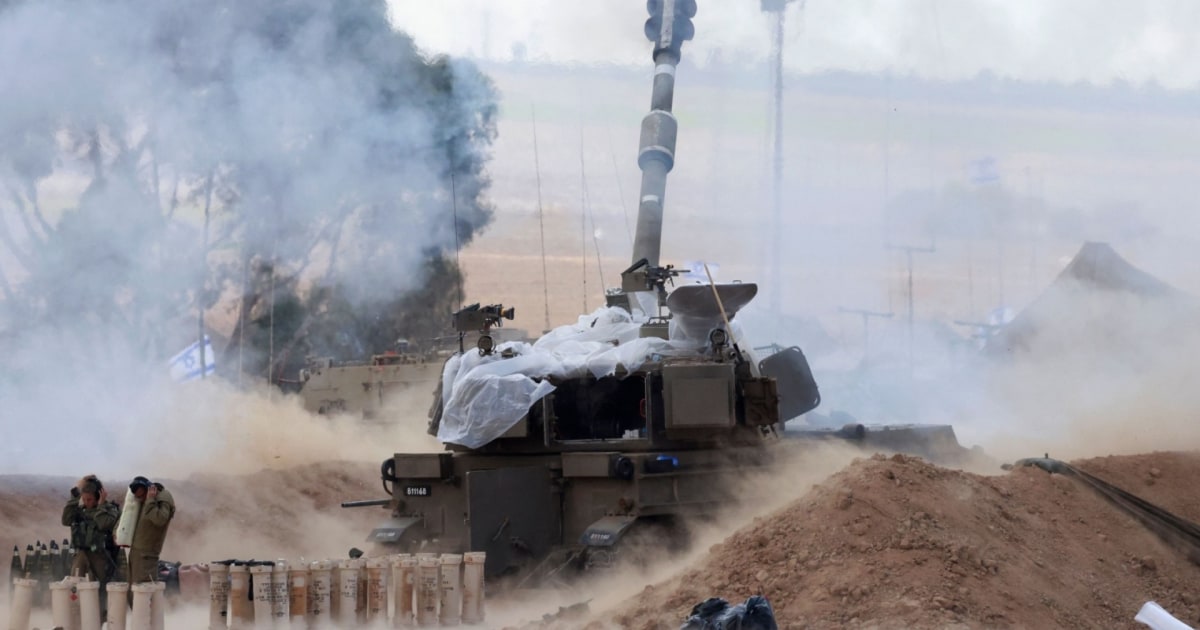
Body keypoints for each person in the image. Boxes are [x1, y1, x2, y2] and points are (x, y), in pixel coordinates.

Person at [61, 475, 120, 616]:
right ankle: (76, 618)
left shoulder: (109, 509)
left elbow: (103, 523)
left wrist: (101, 505)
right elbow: (65, 520)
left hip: (100, 555)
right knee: (75, 585)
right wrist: (74, 499)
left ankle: (102, 618)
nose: (87, 503)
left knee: (101, 589)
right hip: (81, 554)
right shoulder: (80, 510)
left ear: (98, 496)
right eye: (84, 499)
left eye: (90, 499)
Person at [127, 475, 175, 585]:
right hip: (136, 552)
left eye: (142, 496)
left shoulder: (162, 497)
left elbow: (160, 519)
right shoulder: (145, 501)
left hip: (147, 554)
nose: (141, 499)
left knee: (145, 590)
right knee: (134, 589)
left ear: (150, 489)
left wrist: (150, 500)